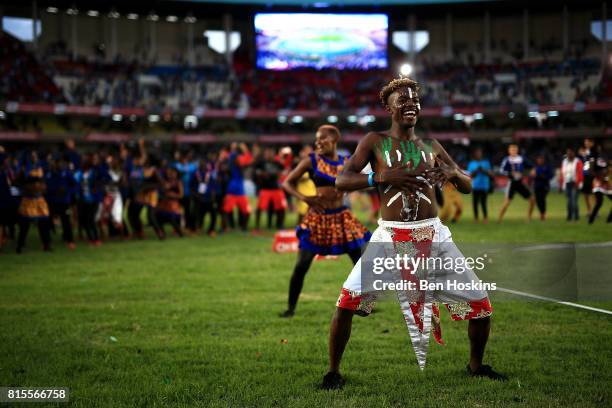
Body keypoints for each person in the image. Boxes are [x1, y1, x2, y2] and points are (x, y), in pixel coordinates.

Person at [325, 78, 505, 389]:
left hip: (434, 236)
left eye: (415, 101)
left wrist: (453, 173)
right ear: (388, 107)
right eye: (403, 101)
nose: (411, 105)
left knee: (480, 305)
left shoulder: (431, 146)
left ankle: (476, 366)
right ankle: (333, 372)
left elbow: (468, 184)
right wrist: (380, 175)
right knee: (346, 305)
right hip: (390, 237)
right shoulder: (374, 141)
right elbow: (342, 180)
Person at [280, 125, 371, 318]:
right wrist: (305, 198)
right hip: (318, 218)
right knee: (302, 264)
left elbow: (362, 180)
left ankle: (364, 304)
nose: (318, 143)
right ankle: (290, 308)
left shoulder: (347, 162)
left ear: (335, 140)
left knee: (359, 263)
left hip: (341, 218)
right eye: (317, 140)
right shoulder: (311, 161)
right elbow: (287, 182)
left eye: (323, 139)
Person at [16, 155, 52, 253]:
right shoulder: (23, 170)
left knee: (43, 223)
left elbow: (44, 183)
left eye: (36, 156)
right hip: (28, 200)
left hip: (39, 199)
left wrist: (42, 187)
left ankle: (46, 244)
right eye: (32, 156)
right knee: (25, 225)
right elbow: (19, 183)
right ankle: (20, 245)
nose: (34, 158)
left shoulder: (40, 169)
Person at [45, 155, 76, 249]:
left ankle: (70, 241)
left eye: (59, 162)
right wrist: (51, 191)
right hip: (51, 201)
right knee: (46, 222)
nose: (57, 164)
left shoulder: (66, 173)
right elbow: (44, 187)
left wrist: (67, 191)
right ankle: (47, 242)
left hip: (64, 201)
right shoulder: (48, 174)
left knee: (66, 221)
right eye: (55, 162)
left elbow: (75, 186)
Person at [498, 143, 535, 222]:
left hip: (520, 183)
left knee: (532, 200)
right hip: (512, 183)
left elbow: (531, 166)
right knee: (507, 202)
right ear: (509, 151)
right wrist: (510, 173)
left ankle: (528, 218)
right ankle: (500, 219)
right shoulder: (507, 159)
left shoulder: (521, 158)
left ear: (517, 150)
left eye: (515, 149)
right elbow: (501, 170)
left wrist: (532, 171)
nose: (513, 151)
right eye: (512, 149)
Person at [222, 143, 253, 232]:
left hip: (239, 188)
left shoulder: (235, 158)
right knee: (226, 210)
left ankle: (243, 227)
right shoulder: (233, 157)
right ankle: (225, 228)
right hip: (234, 188)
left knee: (246, 211)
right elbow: (245, 162)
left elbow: (246, 162)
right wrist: (245, 151)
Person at [254, 147, 287, 230]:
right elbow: (256, 172)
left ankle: (280, 224)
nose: (269, 155)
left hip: (276, 189)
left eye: (271, 153)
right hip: (265, 189)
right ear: (265, 154)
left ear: (273, 154)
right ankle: (257, 225)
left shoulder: (278, 163)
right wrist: (262, 174)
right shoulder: (261, 163)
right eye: (268, 153)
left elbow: (284, 171)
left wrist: (279, 174)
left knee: (281, 208)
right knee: (259, 208)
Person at [191, 156, 218, 236]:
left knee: (213, 214)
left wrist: (213, 197)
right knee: (198, 214)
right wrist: (195, 195)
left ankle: (211, 230)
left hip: (208, 198)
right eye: (201, 163)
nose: (203, 165)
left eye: (204, 163)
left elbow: (213, 186)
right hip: (198, 197)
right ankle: (197, 229)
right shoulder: (195, 173)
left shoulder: (209, 174)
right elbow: (192, 185)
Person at [156, 166, 184, 238]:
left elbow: (181, 195)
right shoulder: (166, 181)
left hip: (174, 204)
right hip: (164, 203)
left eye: (174, 173)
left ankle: (179, 232)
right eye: (171, 173)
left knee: (172, 218)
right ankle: (162, 233)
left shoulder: (178, 182)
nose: (172, 174)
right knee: (157, 216)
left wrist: (173, 195)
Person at [466, 147, 493, 223]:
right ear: (475, 154)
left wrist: (483, 170)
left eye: (480, 153)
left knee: (484, 203)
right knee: (475, 203)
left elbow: (491, 174)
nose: (479, 154)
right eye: (477, 153)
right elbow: (470, 175)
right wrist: (476, 170)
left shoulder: (486, 163)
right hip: (475, 186)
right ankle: (476, 218)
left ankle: (485, 218)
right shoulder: (471, 164)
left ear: (481, 154)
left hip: (484, 186)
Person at [588, 146, 611, 224]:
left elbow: (607, 168)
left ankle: (609, 220)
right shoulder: (593, 157)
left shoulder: (603, 157)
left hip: (605, 182)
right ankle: (591, 220)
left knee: (599, 202)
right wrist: (599, 176)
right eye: (597, 148)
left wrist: (606, 173)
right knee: (599, 202)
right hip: (598, 182)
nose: (599, 149)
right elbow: (591, 171)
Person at [295, 145, 316, 225]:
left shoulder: (313, 163)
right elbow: (295, 178)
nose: (309, 153)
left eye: (310, 151)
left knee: (310, 211)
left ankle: (307, 227)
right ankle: (300, 227)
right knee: (302, 211)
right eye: (307, 151)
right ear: (302, 152)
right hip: (302, 190)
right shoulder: (299, 163)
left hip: (312, 189)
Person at [560, 148, 583, 221]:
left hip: (575, 183)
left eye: (570, 152)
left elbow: (580, 173)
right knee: (569, 201)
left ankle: (576, 217)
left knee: (573, 201)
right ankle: (569, 217)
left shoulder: (578, 162)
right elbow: (562, 173)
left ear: (573, 153)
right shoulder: (564, 162)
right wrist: (561, 183)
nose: (569, 154)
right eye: (568, 153)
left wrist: (578, 183)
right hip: (567, 183)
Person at [532, 154, 554, 221]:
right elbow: (533, 176)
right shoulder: (535, 167)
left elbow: (551, 175)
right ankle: (541, 213)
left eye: (541, 159)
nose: (539, 160)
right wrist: (532, 175)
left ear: (543, 160)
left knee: (542, 199)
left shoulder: (547, 166)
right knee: (538, 201)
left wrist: (541, 176)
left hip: (545, 186)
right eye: (538, 159)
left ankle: (543, 214)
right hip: (536, 186)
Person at [579, 138, 595, 216]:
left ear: (592, 143)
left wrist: (584, 155)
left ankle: (595, 211)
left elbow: (592, 161)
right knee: (585, 194)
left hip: (592, 175)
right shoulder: (584, 152)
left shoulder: (593, 152)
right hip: (585, 175)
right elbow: (583, 163)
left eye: (588, 142)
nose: (586, 144)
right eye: (585, 142)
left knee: (594, 192)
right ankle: (589, 210)